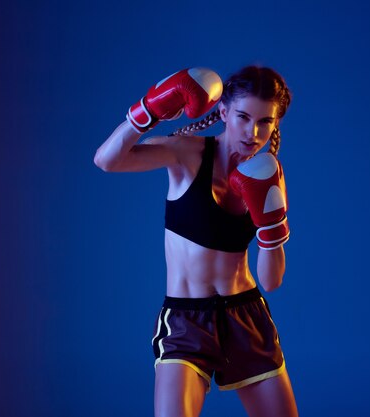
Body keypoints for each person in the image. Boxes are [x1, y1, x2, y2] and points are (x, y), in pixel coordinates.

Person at [94, 65, 298, 417]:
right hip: (187, 320)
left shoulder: (267, 176)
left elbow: (272, 281)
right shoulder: (187, 153)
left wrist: (273, 228)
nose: (253, 131)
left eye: (265, 121)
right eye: (243, 116)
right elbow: (106, 161)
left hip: (245, 314)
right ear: (223, 112)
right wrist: (147, 111)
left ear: (275, 124)